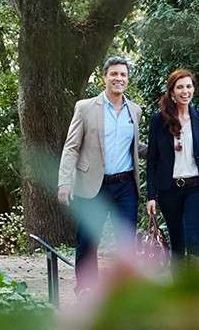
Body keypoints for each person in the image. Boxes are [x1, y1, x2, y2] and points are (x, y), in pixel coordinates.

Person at [58, 56, 146, 294]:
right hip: (92, 186)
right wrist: (64, 182)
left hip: (126, 185)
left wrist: (165, 149)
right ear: (104, 77)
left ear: (128, 79)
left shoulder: (134, 110)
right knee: (88, 240)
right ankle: (86, 291)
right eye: (114, 74)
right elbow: (71, 147)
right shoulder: (85, 107)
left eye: (123, 74)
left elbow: (135, 147)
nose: (119, 78)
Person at [145, 69, 199, 265]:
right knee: (177, 243)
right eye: (180, 87)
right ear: (172, 91)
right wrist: (151, 195)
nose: (185, 91)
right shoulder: (159, 120)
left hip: (196, 187)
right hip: (169, 189)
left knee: (193, 240)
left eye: (189, 86)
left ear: (193, 89)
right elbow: (152, 159)